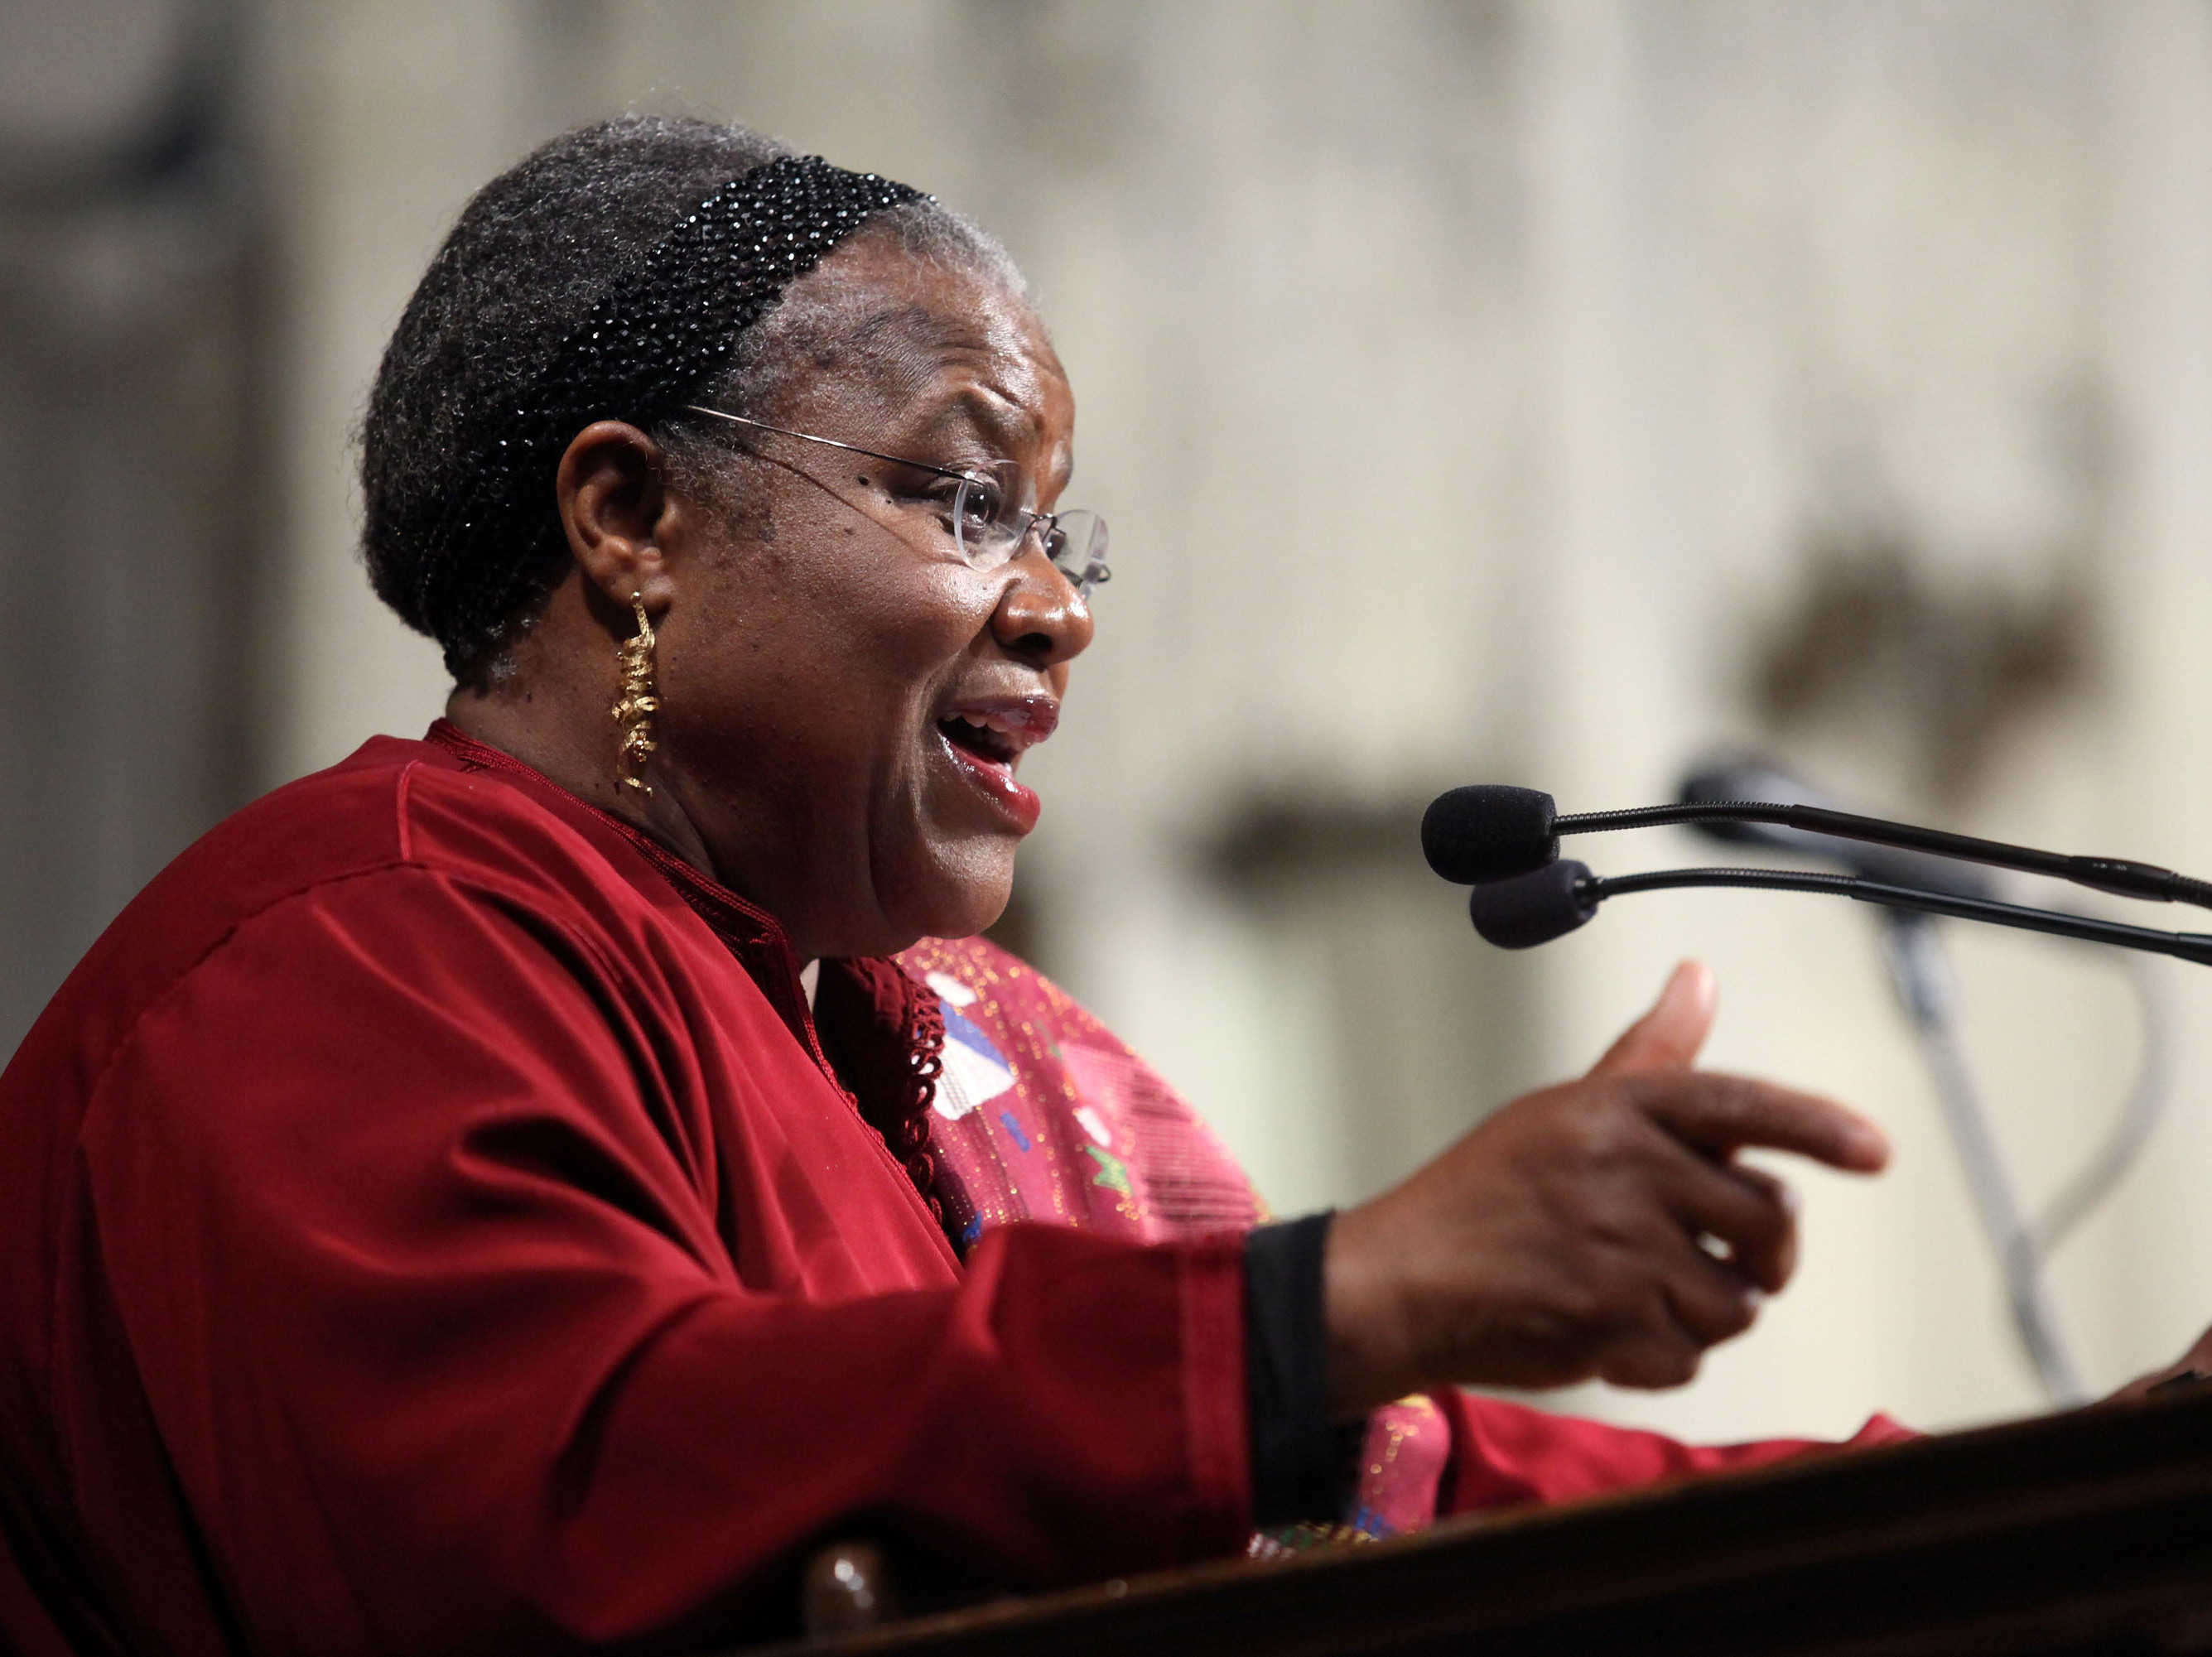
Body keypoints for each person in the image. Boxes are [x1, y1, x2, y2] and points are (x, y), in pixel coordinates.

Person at [0, 113, 2193, 1656]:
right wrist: (1332, 1300)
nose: (1056, 609)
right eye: (966, 499)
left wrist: (2065, 1496)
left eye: (1073, 539)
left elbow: (1401, 1488)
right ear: (628, 519)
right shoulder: (332, 959)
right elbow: (579, 1510)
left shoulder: (962, 1052)